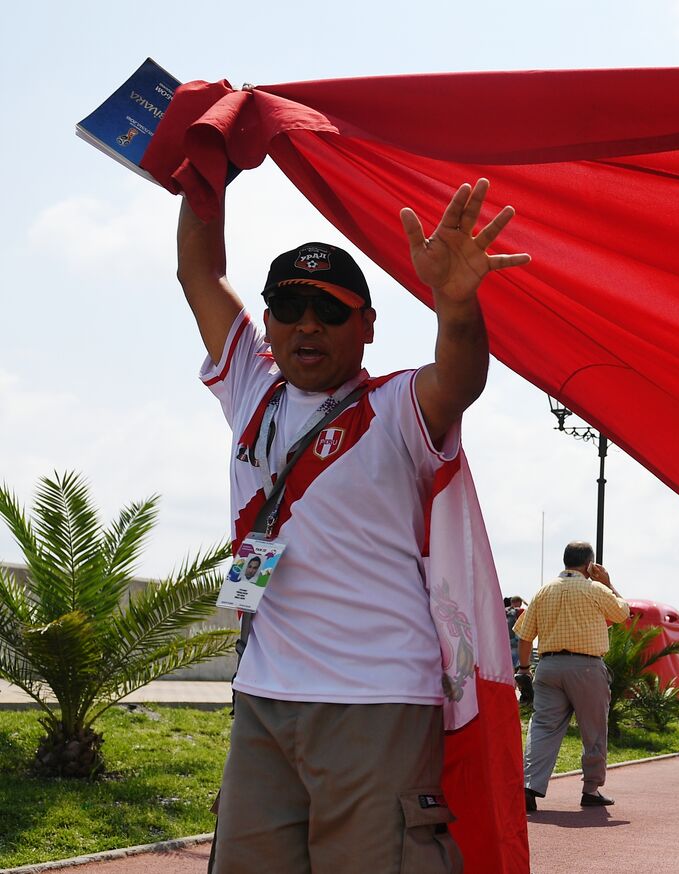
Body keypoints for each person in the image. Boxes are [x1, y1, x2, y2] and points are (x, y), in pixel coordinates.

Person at [179, 177, 529, 873]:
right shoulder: (253, 389)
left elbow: (457, 381)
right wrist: (204, 166)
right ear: (269, 322)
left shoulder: (397, 405)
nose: (306, 324)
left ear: (367, 326)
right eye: (288, 306)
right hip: (264, 701)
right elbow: (200, 271)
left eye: (329, 311)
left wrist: (456, 308)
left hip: (378, 703)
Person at [515, 541, 630, 811]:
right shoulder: (596, 589)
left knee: (542, 727)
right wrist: (609, 583)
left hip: (548, 666)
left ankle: (529, 787)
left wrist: (523, 669)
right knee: (593, 729)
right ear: (590, 565)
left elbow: (524, 636)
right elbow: (622, 613)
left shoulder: (544, 591)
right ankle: (590, 789)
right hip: (587, 667)